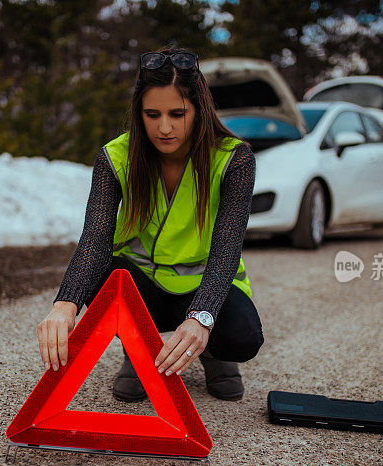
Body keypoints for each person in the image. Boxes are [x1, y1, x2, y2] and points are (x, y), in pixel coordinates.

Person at [37, 46, 264, 402]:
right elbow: (95, 240)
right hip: (145, 287)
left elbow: (226, 252)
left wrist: (202, 318)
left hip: (205, 285)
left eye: (178, 113)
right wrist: (65, 303)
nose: (164, 127)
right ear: (138, 112)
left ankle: (209, 352)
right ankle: (138, 351)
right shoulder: (116, 156)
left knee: (242, 336)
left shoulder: (234, 159)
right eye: (152, 114)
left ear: (199, 110)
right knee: (101, 275)